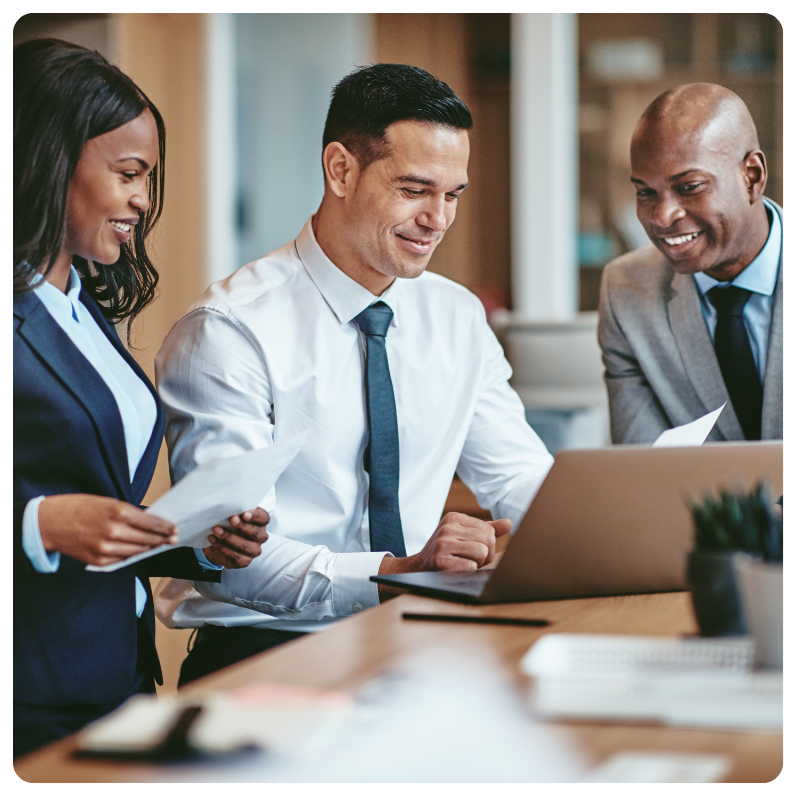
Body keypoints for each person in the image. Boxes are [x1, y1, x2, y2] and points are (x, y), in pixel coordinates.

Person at [153, 64, 553, 685]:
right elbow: (234, 560)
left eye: (453, 194)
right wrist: (402, 570)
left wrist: (597, 534)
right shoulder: (230, 330)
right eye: (415, 189)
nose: (438, 219)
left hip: (421, 647)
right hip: (266, 661)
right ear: (341, 169)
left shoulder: (456, 316)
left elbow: (517, 474)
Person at [13, 39, 270, 759]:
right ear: (48, 161)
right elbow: (55, 513)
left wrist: (193, 541)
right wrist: (37, 525)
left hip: (120, 675)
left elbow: (96, 500)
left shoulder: (80, 305)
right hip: (32, 694)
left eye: (148, 178)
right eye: (128, 174)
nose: (141, 201)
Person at [598, 83, 783, 444]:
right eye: (645, 193)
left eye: (690, 186)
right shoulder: (625, 291)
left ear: (753, 176)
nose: (663, 216)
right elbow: (644, 464)